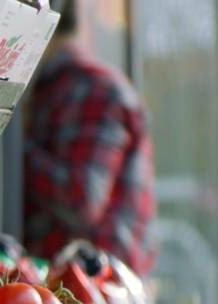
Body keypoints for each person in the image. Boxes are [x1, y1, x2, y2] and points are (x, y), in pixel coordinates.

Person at [23, 0, 156, 276]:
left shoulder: (90, 89)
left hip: (93, 289)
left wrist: (14, 146)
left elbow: (80, 199)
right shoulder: (62, 88)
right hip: (76, 291)